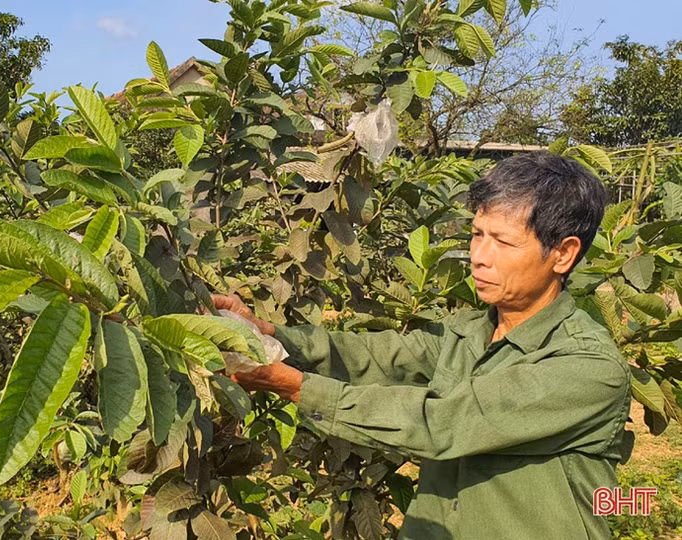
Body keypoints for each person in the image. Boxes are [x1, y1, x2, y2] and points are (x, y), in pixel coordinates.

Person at [212, 151, 632, 540]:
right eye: (477, 234)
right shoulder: (468, 333)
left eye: (502, 242)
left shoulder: (588, 368)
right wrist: (269, 334)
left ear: (563, 254)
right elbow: (377, 356)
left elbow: (443, 423)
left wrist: (294, 386)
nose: (479, 256)